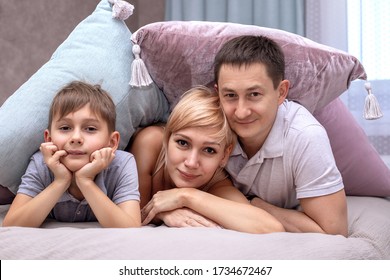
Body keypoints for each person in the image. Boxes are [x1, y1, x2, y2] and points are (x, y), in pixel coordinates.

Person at [213, 35, 348, 236]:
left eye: (254, 94)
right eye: (230, 95)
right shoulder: (211, 124)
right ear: (218, 94)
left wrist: (253, 205)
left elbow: (334, 232)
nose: (241, 112)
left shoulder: (305, 136)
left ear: (281, 92)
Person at [129, 86, 284, 234]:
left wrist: (186, 197)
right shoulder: (149, 143)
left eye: (209, 150)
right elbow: (132, 216)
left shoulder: (217, 182)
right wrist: (164, 213)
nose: (191, 162)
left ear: (224, 156)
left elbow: (272, 228)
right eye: (183, 143)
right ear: (167, 138)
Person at [3, 81, 141, 228]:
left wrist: (86, 181)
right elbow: (12, 224)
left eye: (90, 129)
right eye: (65, 128)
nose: (76, 138)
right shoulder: (41, 164)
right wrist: (60, 181)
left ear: (112, 142)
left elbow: (130, 226)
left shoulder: (122, 164)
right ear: (49, 139)